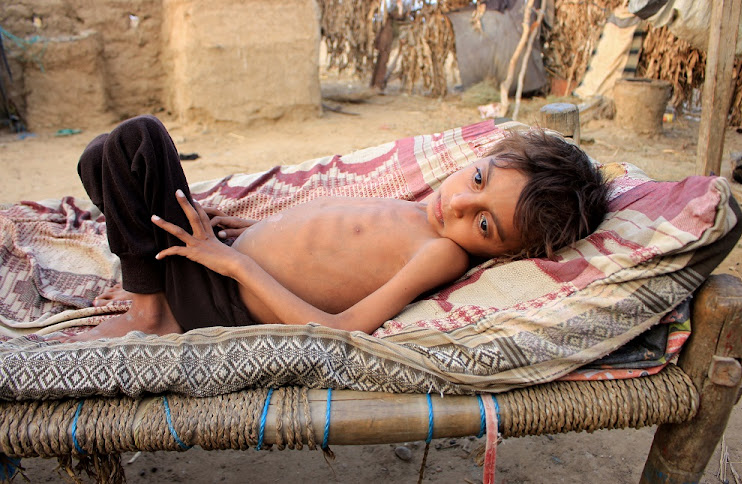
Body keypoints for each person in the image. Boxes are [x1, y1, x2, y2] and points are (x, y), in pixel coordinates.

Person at [62, 115, 609, 342]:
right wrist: (247, 229)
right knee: (101, 159)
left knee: (141, 139)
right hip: (224, 257)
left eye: (485, 224)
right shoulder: (420, 210)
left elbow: (342, 328)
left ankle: (152, 312)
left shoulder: (442, 254)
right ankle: (148, 282)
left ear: (508, 253)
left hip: (224, 295)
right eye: (478, 177)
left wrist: (233, 261)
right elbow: (324, 243)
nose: (460, 202)